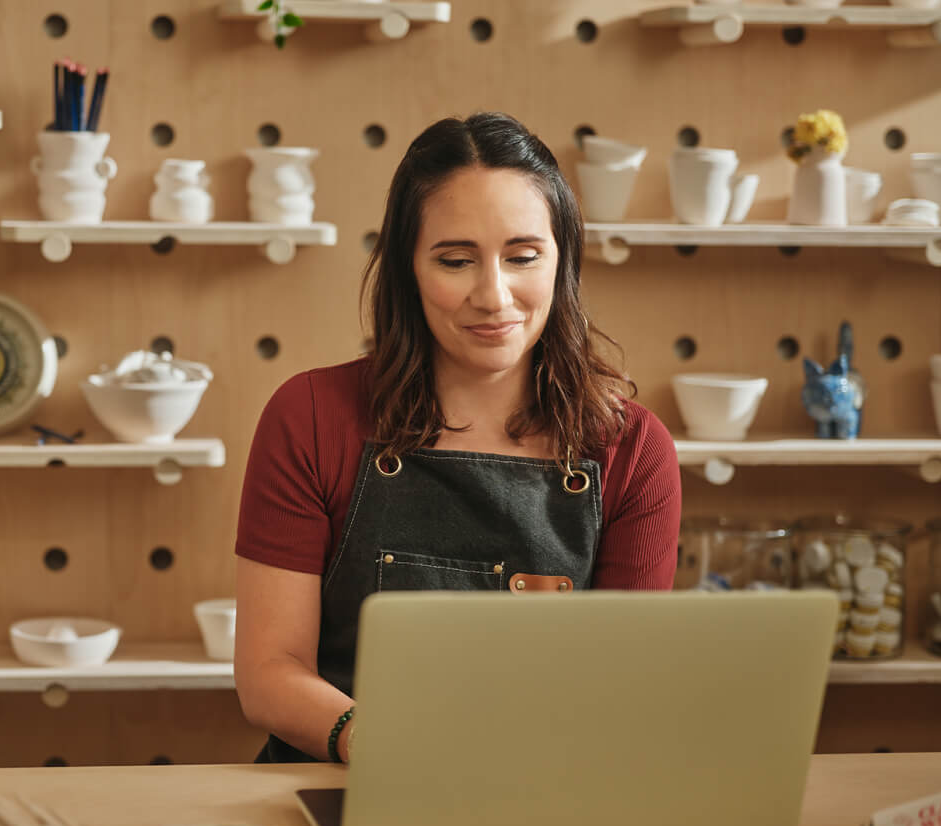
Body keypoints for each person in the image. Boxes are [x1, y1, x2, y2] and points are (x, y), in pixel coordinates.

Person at [233, 112, 681, 764]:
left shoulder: (633, 450)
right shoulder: (309, 417)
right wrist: (379, 743)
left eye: (523, 256)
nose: (493, 296)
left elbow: (623, 689)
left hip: (544, 793)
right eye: (455, 259)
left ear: (563, 262)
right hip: (347, 784)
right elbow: (271, 674)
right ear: (407, 270)